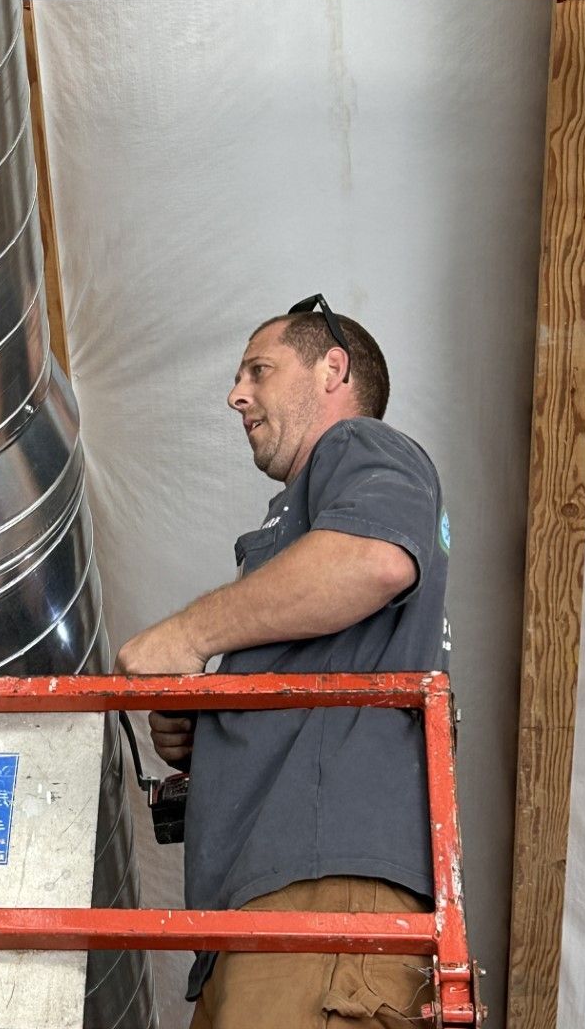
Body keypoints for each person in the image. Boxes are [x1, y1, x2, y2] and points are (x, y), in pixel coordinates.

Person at [115, 296, 451, 1029]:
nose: (237, 394)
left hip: (319, 896)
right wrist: (214, 727)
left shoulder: (360, 446)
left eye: (259, 370)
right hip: (268, 906)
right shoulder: (307, 532)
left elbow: (374, 559)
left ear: (334, 369)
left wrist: (189, 635)